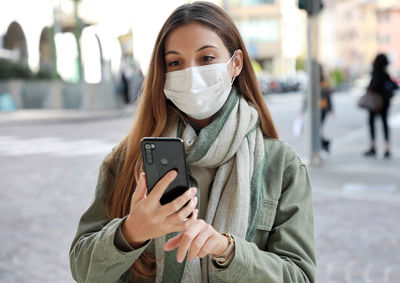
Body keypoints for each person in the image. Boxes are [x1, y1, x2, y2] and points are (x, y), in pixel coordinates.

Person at [69, 2, 316, 282]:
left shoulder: (282, 165)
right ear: (163, 74)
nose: (191, 74)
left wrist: (227, 251)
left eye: (207, 58)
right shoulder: (127, 160)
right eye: (175, 62)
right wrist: (130, 233)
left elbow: (300, 276)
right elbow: (83, 270)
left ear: (235, 64)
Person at [363, 54, 398, 159]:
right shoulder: (385, 73)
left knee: (372, 123)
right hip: (385, 102)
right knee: (384, 123)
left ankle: (373, 147)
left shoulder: (375, 73)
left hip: (374, 103)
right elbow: (394, 86)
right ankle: (387, 148)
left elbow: (373, 86)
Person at [319, 66, 334, 153]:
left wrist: (330, 109)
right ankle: (324, 144)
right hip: (317, 109)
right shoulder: (314, 82)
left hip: (322, 109)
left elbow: (328, 96)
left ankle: (324, 144)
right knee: (316, 131)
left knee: (316, 131)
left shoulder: (323, 83)